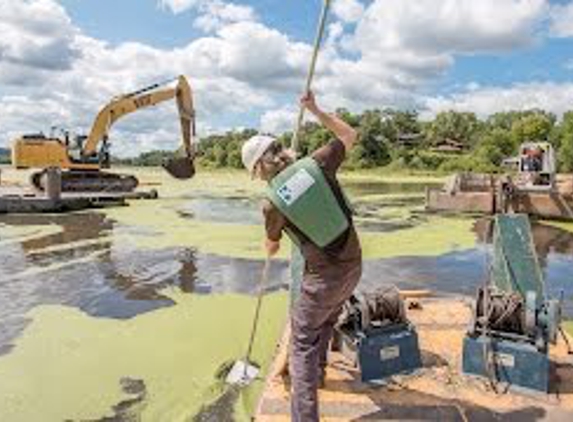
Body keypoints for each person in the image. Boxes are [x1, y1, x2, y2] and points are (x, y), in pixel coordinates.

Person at [241, 91, 362, 422]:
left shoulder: (271, 204)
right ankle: (321, 371)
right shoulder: (318, 162)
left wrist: (270, 241)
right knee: (323, 321)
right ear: (281, 150)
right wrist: (315, 110)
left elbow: (272, 244)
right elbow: (349, 135)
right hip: (353, 268)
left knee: (301, 343)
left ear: (259, 171)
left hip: (323, 278)